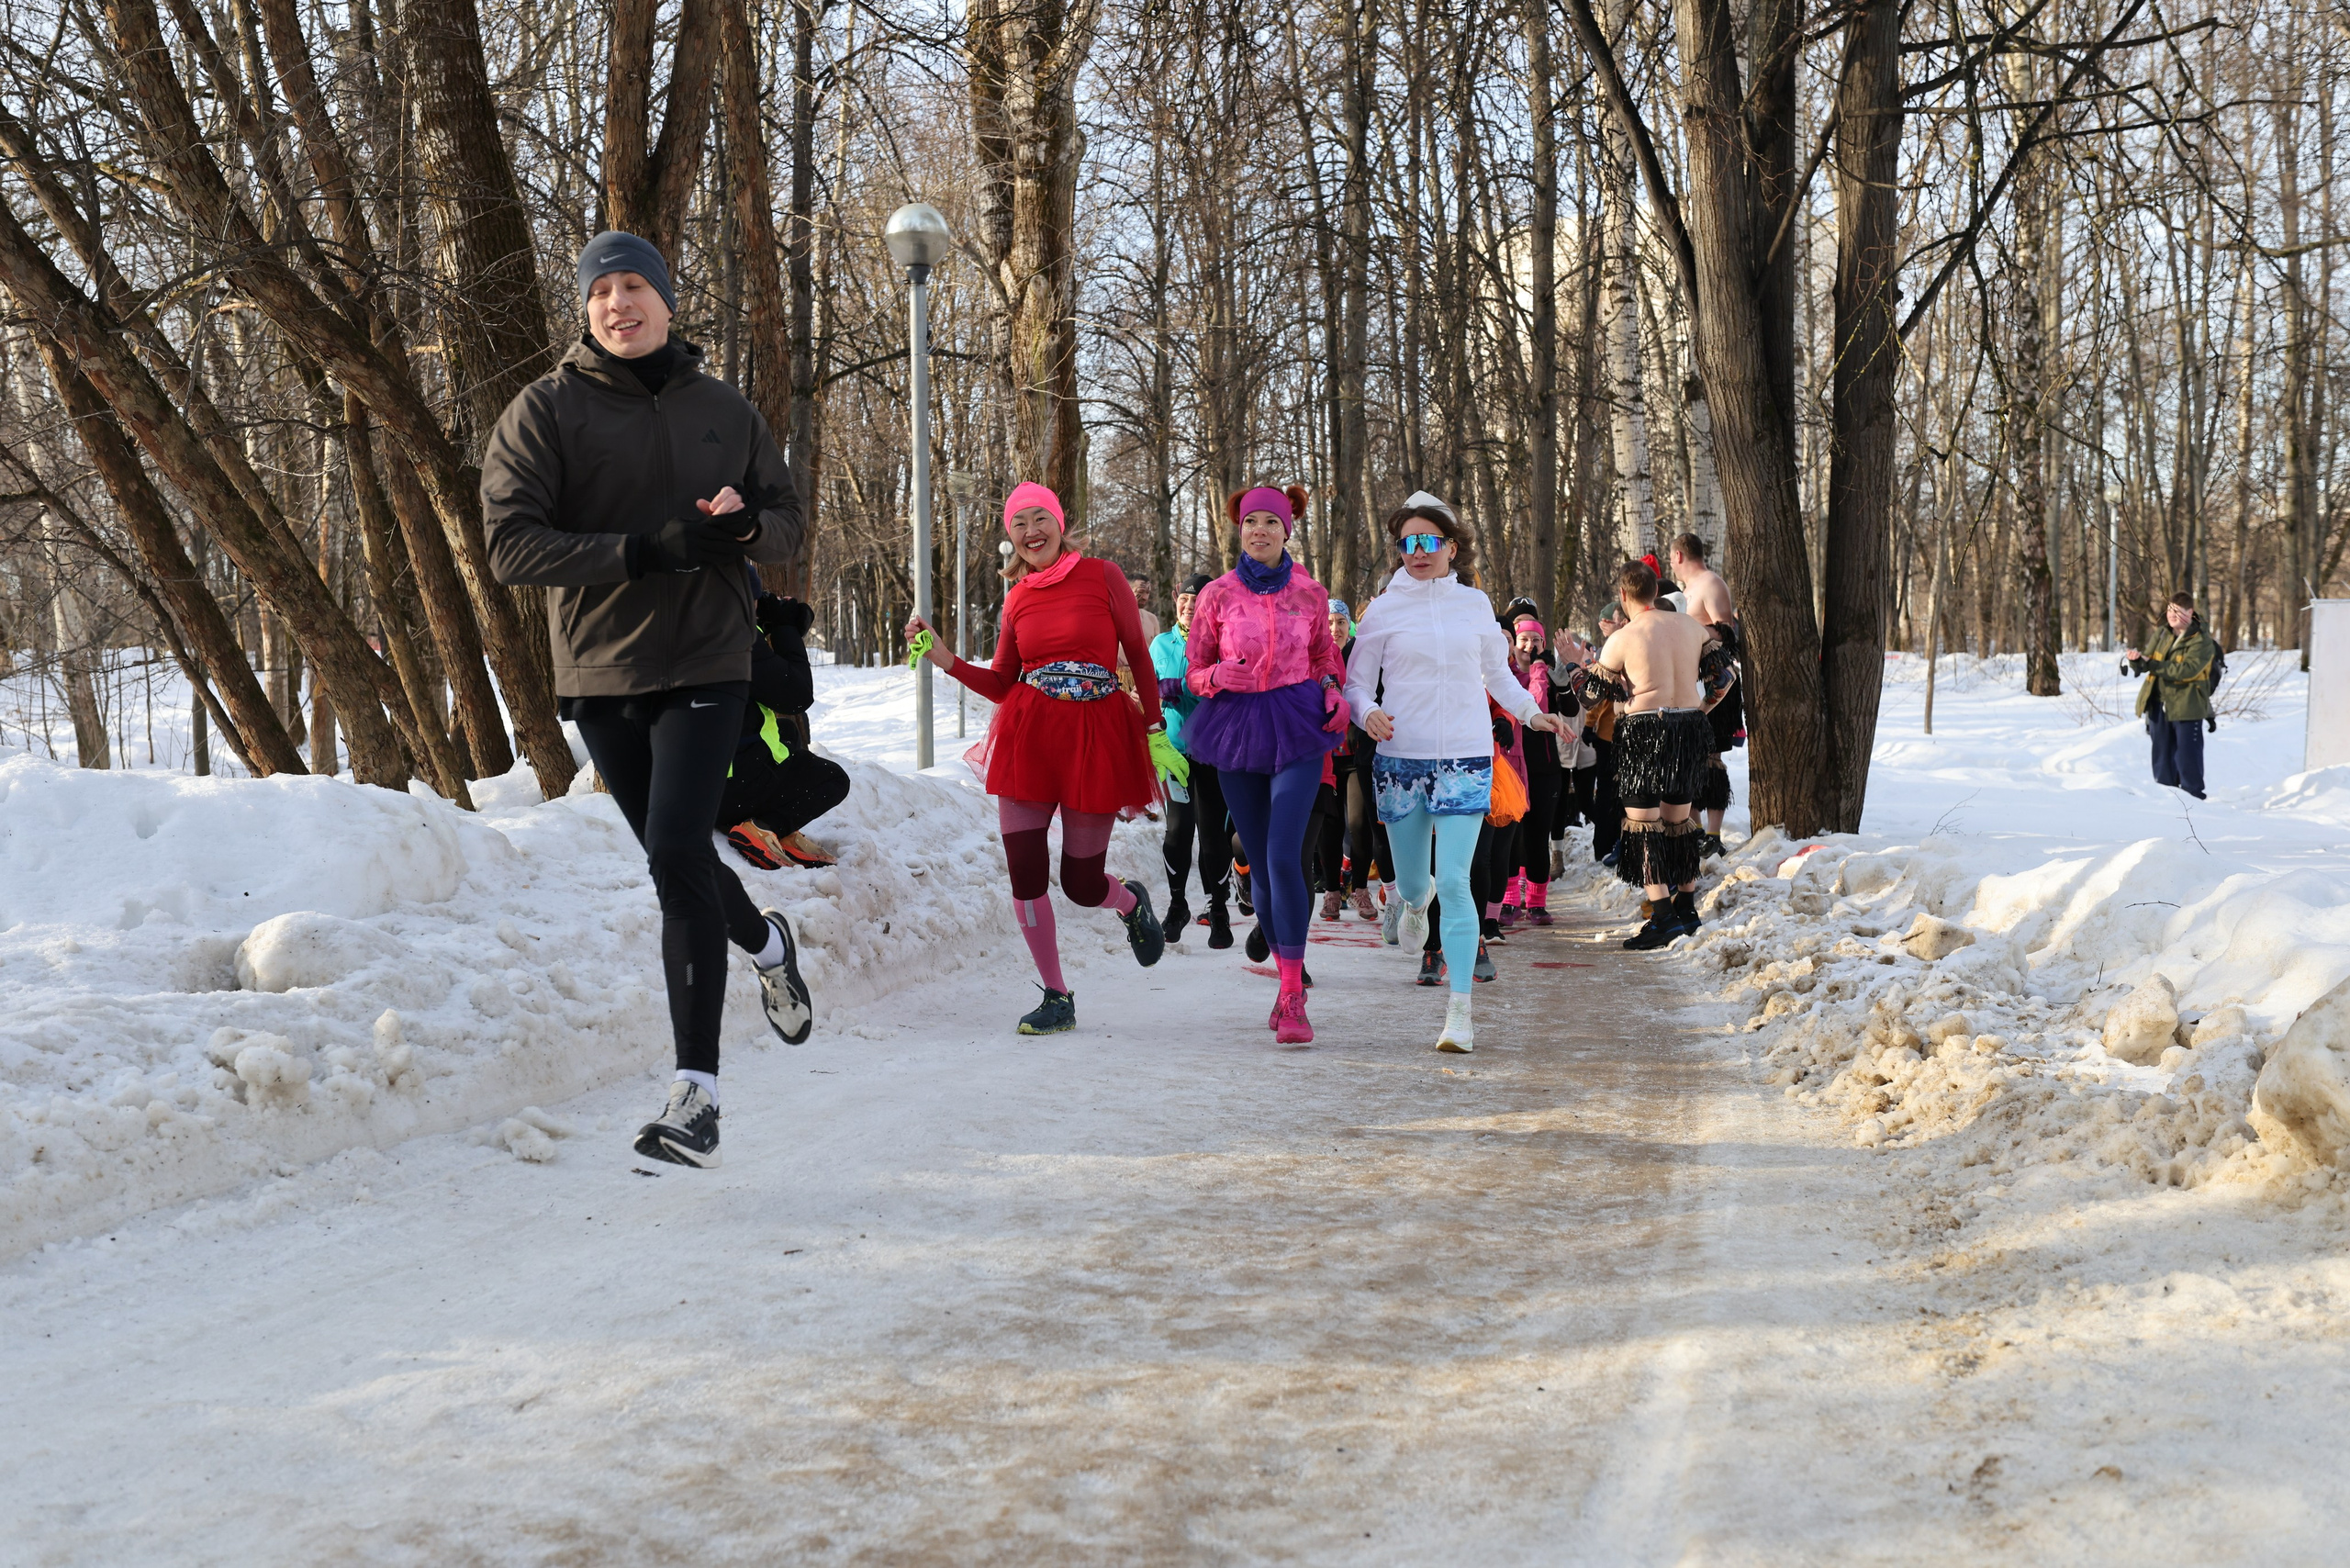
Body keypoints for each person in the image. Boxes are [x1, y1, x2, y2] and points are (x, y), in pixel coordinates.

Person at [483, 230, 813, 1168]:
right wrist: (640, 550)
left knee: (675, 847)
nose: (619, 304)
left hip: (710, 661)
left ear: (668, 302)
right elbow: (511, 545)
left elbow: (787, 516)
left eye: (635, 287)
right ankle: (764, 943)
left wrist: (750, 526)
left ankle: (696, 1092)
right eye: (602, 292)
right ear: (584, 310)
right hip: (599, 671)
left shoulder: (723, 409)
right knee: (675, 859)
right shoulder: (545, 411)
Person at [906, 483, 1167, 1035]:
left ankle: (1127, 902)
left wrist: (1155, 728)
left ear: (1059, 522)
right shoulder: (1017, 597)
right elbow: (1003, 681)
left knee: (1080, 882)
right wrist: (943, 656)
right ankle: (1057, 995)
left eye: (1039, 518)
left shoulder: (1102, 575)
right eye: (1018, 523)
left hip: (1094, 735)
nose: (1030, 532)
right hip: (1029, 735)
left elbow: (1138, 655)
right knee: (1025, 873)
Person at [1345, 492, 1572, 1053]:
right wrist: (1367, 712)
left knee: (1456, 881)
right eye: (1407, 543)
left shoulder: (1475, 606)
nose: (1417, 552)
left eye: (1428, 541)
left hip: (1466, 760)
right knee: (1419, 883)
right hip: (1401, 760)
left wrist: (1532, 713)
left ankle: (1460, 1012)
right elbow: (1354, 684)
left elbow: (1499, 676)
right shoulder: (1383, 609)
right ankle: (1412, 903)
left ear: (1450, 546)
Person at [1181, 485, 1348, 1045]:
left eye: (1270, 523)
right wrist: (1215, 679)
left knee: (1282, 856)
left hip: (1299, 723)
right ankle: (1284, 976)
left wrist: (1331, 689)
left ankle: (1295, 996)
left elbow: (1326, 657)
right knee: (1258, 854)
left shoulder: (1310, 593)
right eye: (1251, 522)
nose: (1260, 531)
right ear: (1239, 530)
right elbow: (1194, 671)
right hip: (1235, 729)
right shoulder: (1217, 595)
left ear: (1287, 530)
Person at [1571, 560, 1736, 950]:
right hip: (1690, 727)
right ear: (1656, 593)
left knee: (1643, 824)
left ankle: (1663, 918)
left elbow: (1589, 696)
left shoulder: (1625, 637)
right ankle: (1686, 907)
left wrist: (1575, 668)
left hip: (1646, 729)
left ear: (1624, 596)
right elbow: (1724, 679)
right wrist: (1701, 711)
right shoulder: (1692, 628)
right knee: (1680, 822)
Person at [717, 577, 852, 872]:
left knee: (786, 734)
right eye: (755, 599)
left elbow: (764, 677)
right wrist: (785, 629)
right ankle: (763, 828)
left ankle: (773, 823)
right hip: (723, 789)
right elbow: (796, 696)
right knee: (832, 779)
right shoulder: (734, 635)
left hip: (687, 781)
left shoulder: (687, 627)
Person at [1150, 573, 1235, 945]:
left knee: (1213, 836)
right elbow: (1144, 688)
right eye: (1184, 598)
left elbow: (1231, 688)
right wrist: (1155, 693)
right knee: (1176, 833)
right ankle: (1177, 904)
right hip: (1173, 753)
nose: (1189, 605)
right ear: (1175, 599)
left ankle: (1218, 909)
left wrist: (1184, 688)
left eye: (1198, 599)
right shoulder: (1160, 644)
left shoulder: (1222, 642)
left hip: (1213, 753)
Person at [1671, 532, 1740, 857]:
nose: (1672, 563)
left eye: (1672, 558)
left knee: (1712, 756)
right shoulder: (1686, 591)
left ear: (1680, 556)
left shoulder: (1711, 584)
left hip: (1717, 682)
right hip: (1689, 681)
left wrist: (1690, 630)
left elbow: (1726, 632)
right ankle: (1696, 829)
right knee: (1691, 756)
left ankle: (1714, 834)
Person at [2127, 592, 2221, 800]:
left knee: (2187, 759)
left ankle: (2194, 800)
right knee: (2162, 758)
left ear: (2190, 612)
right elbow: (2148, 661)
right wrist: (2136, 660)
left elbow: (2187, 670)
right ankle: (2166, 799)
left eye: (2177, 611)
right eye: (2169, 610)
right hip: (2159, 705)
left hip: (2188, 707)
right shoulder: (2161, 634)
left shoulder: (2202, 641)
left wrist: (2151, 664)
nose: (2172, 615)